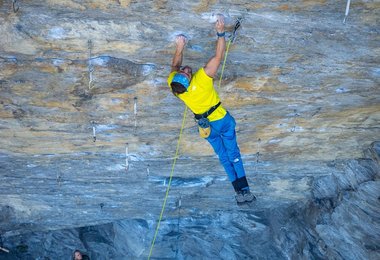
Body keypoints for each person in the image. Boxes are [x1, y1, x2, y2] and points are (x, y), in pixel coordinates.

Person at [167, 15, 255, 204]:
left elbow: (174, 66)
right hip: (220, 121)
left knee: (224, 157)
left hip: (205, 127)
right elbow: (218, 56)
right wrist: (220, 32)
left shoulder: (175, 86)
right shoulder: (203, 79)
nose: (187, 69)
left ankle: (239, 192)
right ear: (189, 80)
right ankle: (244, 190)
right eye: (187, 73)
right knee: (233, 155)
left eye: (184, 71)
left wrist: (180, 46)